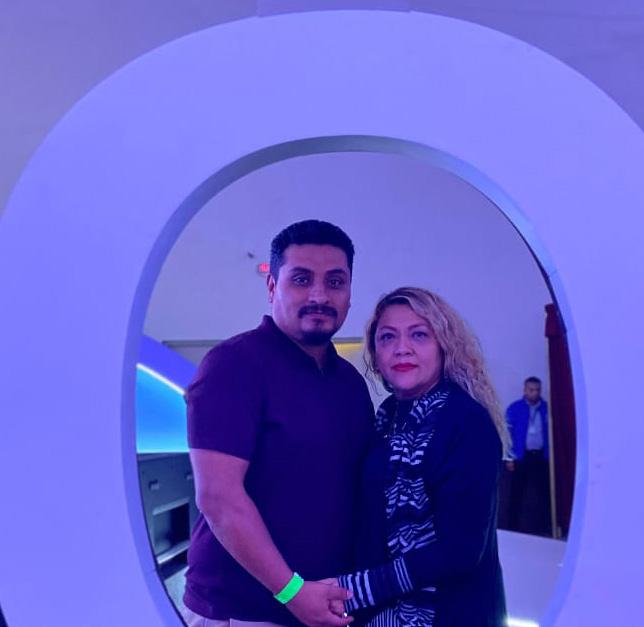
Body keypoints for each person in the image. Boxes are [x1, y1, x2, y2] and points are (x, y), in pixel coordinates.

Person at [181, 220, 373, 627]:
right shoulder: (233, 366)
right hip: (241, 610)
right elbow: (219, 498)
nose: (319, 295)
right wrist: (292, 591)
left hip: (325, 605)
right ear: (272, 287)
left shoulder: (350, 385)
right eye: (301, 279)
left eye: (335, 282)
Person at [328, 287, 508, 626]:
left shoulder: (465, 421)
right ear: (375, 354)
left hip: (450, 614)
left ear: (444, 346)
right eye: (387, 337)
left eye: (419, 335)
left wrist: (354, 589)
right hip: (380, 614)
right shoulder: (387, 418)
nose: (402, 348)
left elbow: (460, 550)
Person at [505, 377, 551, 536]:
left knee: (544, 494)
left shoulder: (546, 409)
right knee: (517, 493)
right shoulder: (515, 408)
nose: (534, 393)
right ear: (525, 390)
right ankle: (512, 529)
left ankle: (547, 528)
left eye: (537, 390)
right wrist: (509, 458)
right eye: (531, 390)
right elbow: (507, 435)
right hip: (521, 457)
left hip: (541, 457)